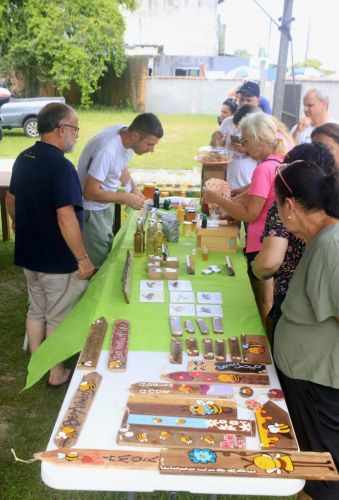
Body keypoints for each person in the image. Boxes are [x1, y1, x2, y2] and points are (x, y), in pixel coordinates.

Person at [6, 102, 95, 387]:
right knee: (56, 317)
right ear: (62, 130)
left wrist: (17, 224)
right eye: (75, 129)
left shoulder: (23, 157)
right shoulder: (61, 167)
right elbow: (65, 216)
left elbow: (11, 198)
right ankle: (54, 372)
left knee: (36, 309)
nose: (77, 135)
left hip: (29, 254)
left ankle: (38, 361)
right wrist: (82, 259)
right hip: (56, 260)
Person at [273, 153, 339, 500]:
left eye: (278, 205)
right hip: (310, 382)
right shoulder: (321, 240)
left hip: (321, 387)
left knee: (322, 478)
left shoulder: (332, 246)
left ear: (291, 206)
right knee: (310, 471)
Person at [203, 113, 291, 325]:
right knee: (272, 303)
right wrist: (235, 194)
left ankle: (265, 352)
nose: (243, 145)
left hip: (260, 243)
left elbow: (249, 213)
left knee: (263, 305)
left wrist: (217, 198)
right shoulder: (279, 162)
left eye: (245, 140)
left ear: (259, 140)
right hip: (279, 243)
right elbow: (255, 193)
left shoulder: (262, 169)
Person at [251, 143, 336, 343]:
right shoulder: (321, 231)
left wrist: (255, 269)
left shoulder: (331, 243)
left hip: (309, 363)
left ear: (288, 205)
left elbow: (270, 261)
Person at [77, 113, 164, 267]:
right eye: (150, 144)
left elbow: (119, 167)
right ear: (136, 135)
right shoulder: (107, 149)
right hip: (91, 211)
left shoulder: (126, 136)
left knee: (105, 252)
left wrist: (133, 189)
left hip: (104, 206)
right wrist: (125, 197)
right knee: (97, 264)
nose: (152, 150)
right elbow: (89, 192)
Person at [210, 104, 261, 190]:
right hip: (229, 180)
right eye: (236, 126)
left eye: (241, 128)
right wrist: (214, 141)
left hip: (248, 184)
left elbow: (263, 155)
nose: (238, 130)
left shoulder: (258, 128)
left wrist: (246, 150)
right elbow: (215, 150)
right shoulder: (227, 122)